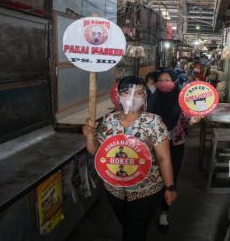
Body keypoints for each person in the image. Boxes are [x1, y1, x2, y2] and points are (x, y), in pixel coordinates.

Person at [82, 76, 177, 241]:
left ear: (145, 96)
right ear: (118, 96)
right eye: (126, 92)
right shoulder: (108, 121)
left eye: (139, 93)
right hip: (114, 191)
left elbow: (164, 158)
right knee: (128, 226)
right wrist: (90, 137)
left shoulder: (154, 123)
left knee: (132, 234)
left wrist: (170, 188)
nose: (132, 98)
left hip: (145, 190)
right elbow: (96, 153)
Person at [148, 69, 201, 230]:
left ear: (174, 81)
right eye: (161, 80)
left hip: (175, 144)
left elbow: (186, 121)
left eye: (168, 79)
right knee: (153, 176)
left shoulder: (181, 100)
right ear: (156, 83)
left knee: (171, 176)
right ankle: (150, 207)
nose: (164, 82)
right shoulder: (149, 101)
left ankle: (164, 212)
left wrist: (194, 120)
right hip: (152, 146)